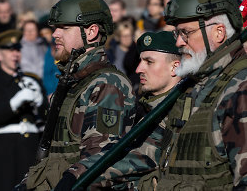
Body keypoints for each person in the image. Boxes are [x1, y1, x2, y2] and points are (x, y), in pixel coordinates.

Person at [146, 0, 247, 190]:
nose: (179, 43)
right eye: (177, 34)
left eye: (186, 33)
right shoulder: (195, 85)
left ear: (219, 33)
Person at [23, 0, 136, 191]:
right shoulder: (72, 80)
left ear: (91, 32)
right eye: (55, 28)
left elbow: (100, 159)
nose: (55, 34)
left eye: (64, 28)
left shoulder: (107, 84)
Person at [71, 31, 182, 190]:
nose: (138, 69)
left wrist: (76, 174)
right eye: (140, 61)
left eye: (149, 62)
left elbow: (135, 157)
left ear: (174, 67)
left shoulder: (176, 111)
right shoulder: (145, 109)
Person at [0, 30, 47, 191]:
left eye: (17, 50)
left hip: (30, 147)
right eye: (10, 50)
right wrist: (14, 103)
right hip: (2, 148)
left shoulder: (31, 79)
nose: (15, 54)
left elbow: (47, 117)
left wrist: (41, 103)